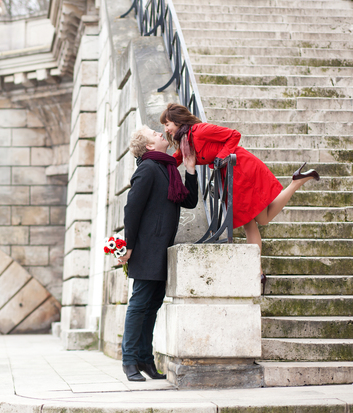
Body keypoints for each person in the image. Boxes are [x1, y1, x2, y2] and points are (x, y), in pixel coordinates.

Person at [160, 103, 319, 289]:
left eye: (168, 124)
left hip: (242, 170)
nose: (166, 129)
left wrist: (221, 155)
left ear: (178, 122)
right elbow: (176, 159)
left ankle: (296, 183)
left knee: (261, 219)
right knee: (250, 223)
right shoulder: (186, 141)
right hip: (229, 176)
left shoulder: (200, 131)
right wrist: (155, 163)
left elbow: (233, 135)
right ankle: (257, 272)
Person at [117, 126, 198, 382]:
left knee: (151, 307)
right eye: (154, 133)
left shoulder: (168, 169)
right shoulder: (148, 169)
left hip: (161, 249)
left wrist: (191, 168)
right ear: (149, 146)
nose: (160, 133)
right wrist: (128, 246)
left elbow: (190, 201)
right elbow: (132, 209)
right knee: (139, 305)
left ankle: (145, 360)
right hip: (144, 249)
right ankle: (129, 360)